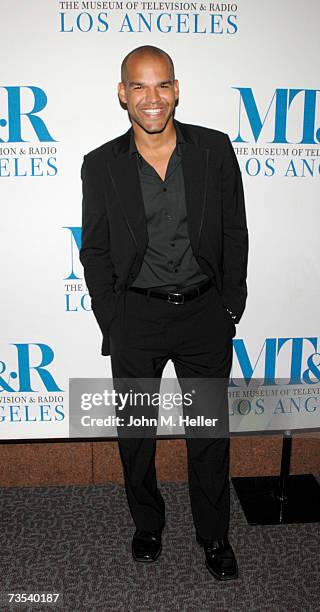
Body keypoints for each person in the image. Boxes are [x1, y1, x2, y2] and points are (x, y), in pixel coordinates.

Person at [80, 45, 248, 581]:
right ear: (122, 94)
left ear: (176, 90)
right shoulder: (101, 164)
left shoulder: (213, 151)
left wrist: (230, 305)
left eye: (161, 85)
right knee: (136, 434)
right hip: (137, 319)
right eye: (139, 86)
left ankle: (214, 535)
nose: (151, 98)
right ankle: (147, 524)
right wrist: (113, 318)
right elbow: (97, 249)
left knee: (208, 435)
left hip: (204, 315)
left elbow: (233, 231)